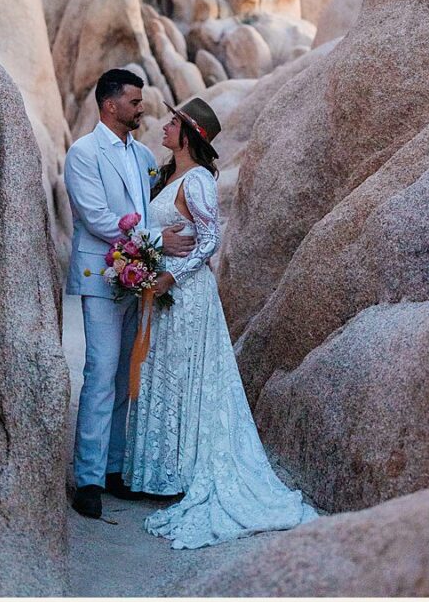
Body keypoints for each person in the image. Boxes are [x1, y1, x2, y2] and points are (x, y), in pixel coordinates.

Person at [123, 97, 319, 548]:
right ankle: (160, 472)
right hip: (162, 293)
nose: (165, 127)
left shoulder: (197, 181)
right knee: (164, 374)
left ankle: (184, 473)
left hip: (187, 295)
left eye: (173, 122)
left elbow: (209, 239)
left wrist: (171, 277)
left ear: (188, 135)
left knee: (186, 377)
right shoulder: (167, 176)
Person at [64, 68, 196, 520]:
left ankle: (114, 468)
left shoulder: (141, 155)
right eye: (134, 102)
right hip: (102, 275)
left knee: (125, 376)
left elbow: (149, 208)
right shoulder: (83, 153)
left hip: (139, 277)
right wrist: (159, 242)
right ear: (110, 105)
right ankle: (88, 479)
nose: (141, 108)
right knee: (101, 372)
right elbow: (98, 218)